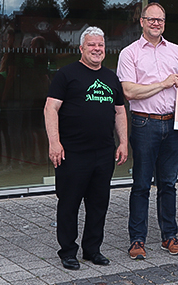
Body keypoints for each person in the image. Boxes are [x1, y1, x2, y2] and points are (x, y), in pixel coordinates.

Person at [44, 27, 128, 270]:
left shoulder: (111, 77)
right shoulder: (66, 74)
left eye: (100, 45)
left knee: (98, 204)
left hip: (103, 153)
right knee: (69, 203)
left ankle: (92, 250)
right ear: (81, 48)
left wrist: (123, 142)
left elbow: (120, 111)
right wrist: (54, 142)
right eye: (91, 45)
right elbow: (50, 109)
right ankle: (68, 251)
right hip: (73, 153)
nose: (97, 49)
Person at [117, 2, 178, 260]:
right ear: (141, 21)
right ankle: (137, 240)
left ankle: (169, 237)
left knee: (168, 184)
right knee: (140, 185)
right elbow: (129, 91)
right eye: (151, 19)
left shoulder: (176, 51)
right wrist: (163, 84)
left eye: (160, 20)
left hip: (172, 124)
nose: (156, 24)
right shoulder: (130, 53)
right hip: (144, 123)